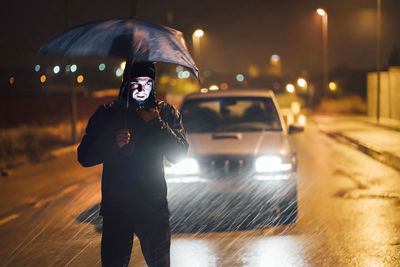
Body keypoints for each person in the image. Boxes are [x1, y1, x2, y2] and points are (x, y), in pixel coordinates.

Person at [77, 62, 188, 267]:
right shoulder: (108, 113)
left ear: (153, 85)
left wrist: (157, 124)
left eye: (147, 83)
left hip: (153, 207)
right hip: (117, 208)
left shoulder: (164, 113)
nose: (141, 88)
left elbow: (179, 154)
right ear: (126, 83)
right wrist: (113, 143)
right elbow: (84, 157)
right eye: (135, 82)